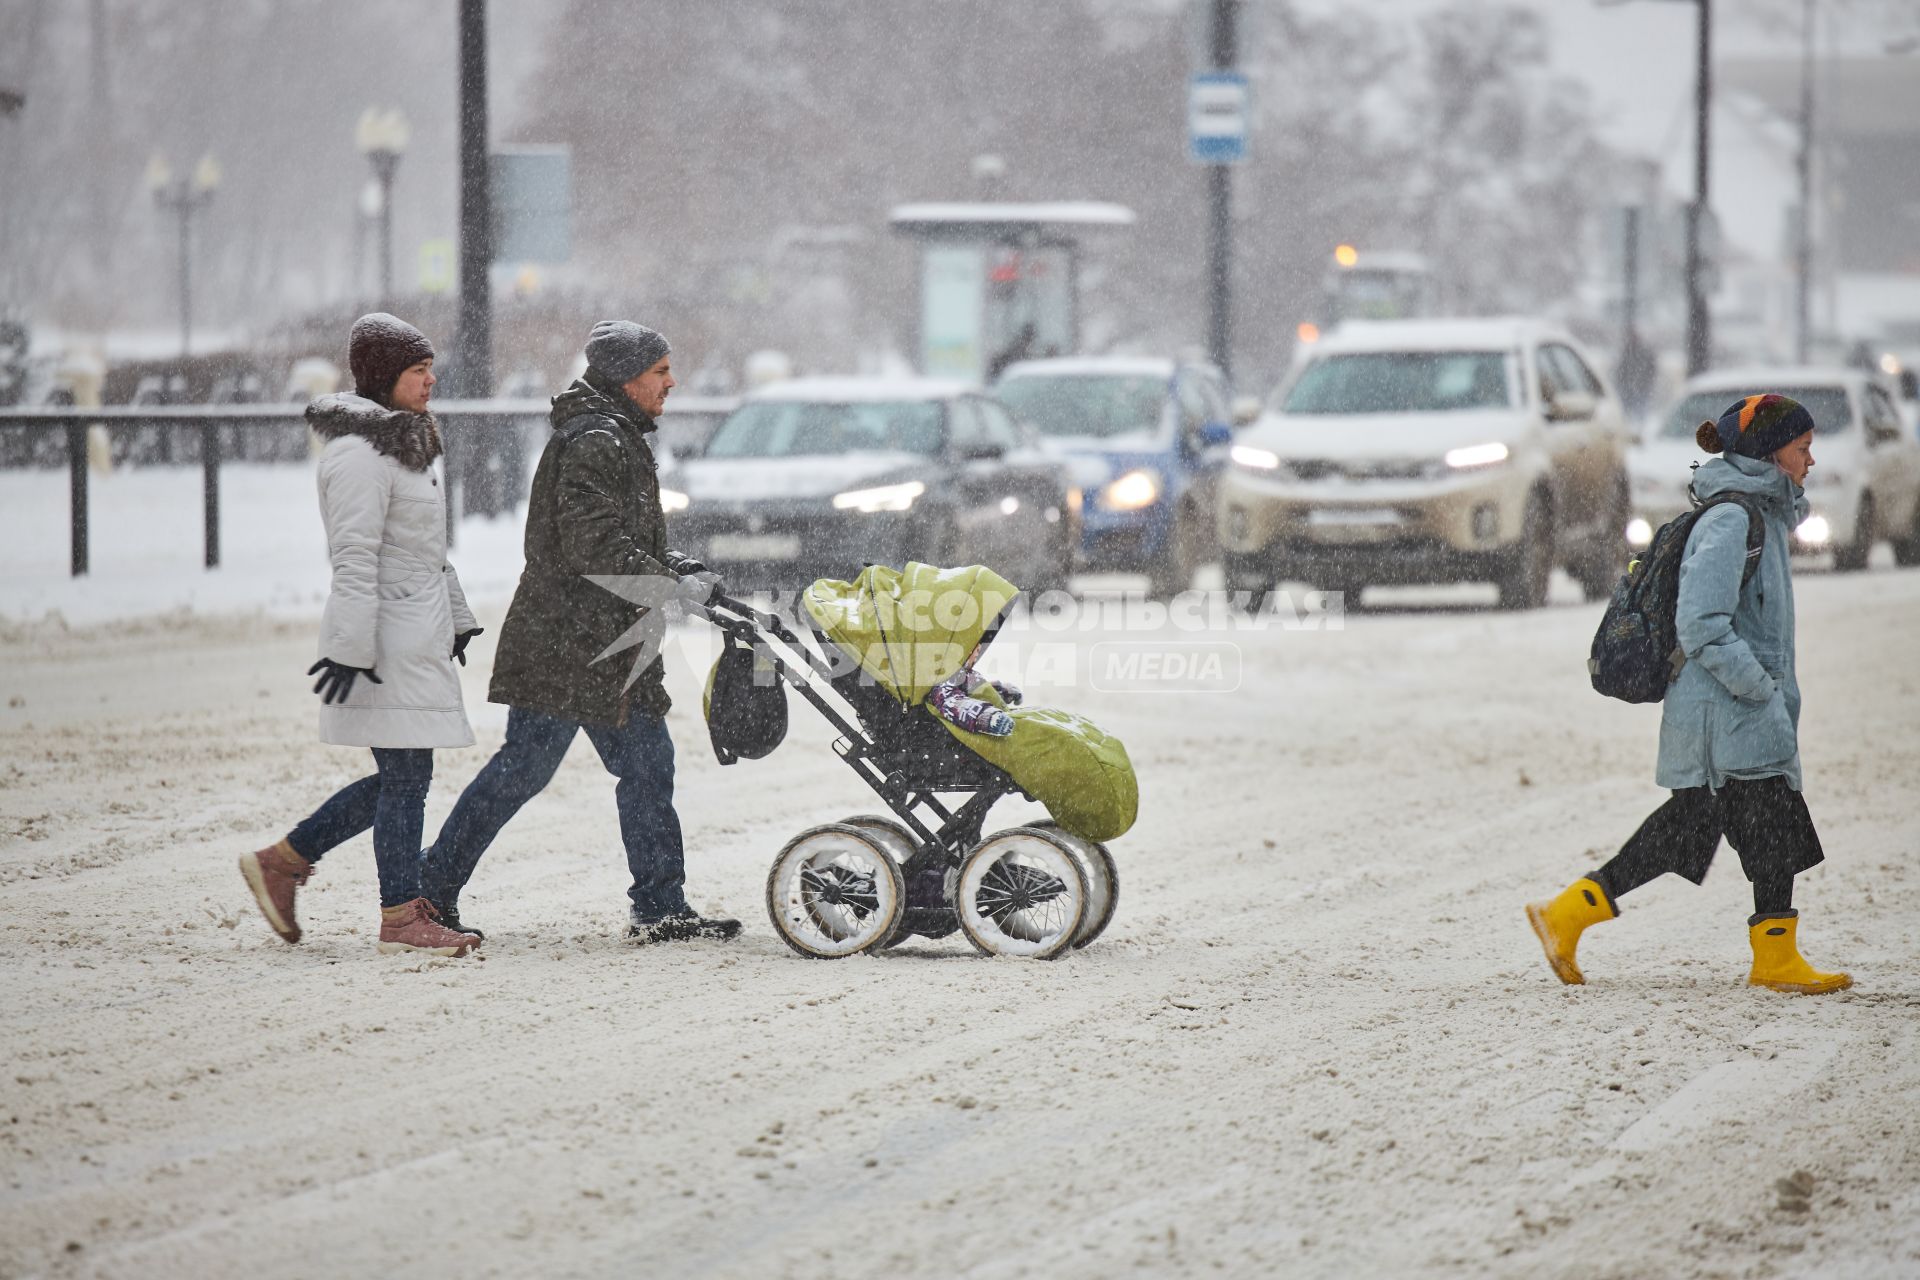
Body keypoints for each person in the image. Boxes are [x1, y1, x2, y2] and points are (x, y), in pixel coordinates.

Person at [418, 321, 740, 944]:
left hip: (609, 640)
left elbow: (617, 542)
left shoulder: (612, 434)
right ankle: (432, 889)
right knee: (528, 769)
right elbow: (591, 545)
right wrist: (669, 586)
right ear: (627, 379)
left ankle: (660, 906)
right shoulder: (596, 439)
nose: (672, 383)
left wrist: (675, 571)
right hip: (569, 641)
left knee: (643, 765)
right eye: (660, 371)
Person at [1527, 393, 1850, 995]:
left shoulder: (1763, 517)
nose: (1811, 460)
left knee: (1689, 829)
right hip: (1727, 715)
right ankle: (1775, 959)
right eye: (1802, 449)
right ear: (1769, 451)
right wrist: (1759, 686)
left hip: (1731, 715)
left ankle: (1568, 914)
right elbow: (1701, 623)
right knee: (1772, 828)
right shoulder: (1733, 521)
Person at [238, 313, 483, 957]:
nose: (430, 381)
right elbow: (354, 556)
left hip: (412, 629)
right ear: (383, 377)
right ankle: (399, 917)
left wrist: (455, 616)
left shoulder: (408, 443)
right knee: (405, 777)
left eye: (431, 368)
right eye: (416, 371)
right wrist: (348, 647)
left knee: (403, 777)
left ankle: (286, 860)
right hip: (383, 636)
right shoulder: (357, 454)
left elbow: (425, 551)